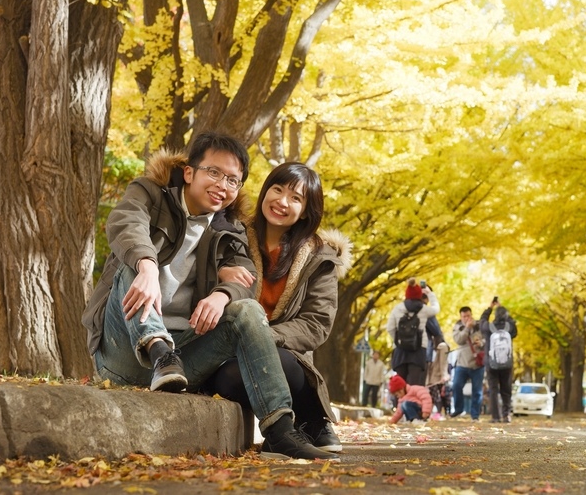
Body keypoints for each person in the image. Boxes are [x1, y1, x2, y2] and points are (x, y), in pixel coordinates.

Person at [81, 132, 334, 460]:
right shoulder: (149, 194)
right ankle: (158, 351)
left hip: (184, 358)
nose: (222, 184)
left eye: (233, 179)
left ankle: (281, 430)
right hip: (124, 350)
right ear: (190, 172)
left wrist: (223, 294)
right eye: (214, 172)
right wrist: (146, 266)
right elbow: (126, 223)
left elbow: (245, 279)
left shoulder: (232, 229)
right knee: (134, 266)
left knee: (246, 309)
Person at [209, 161, 352, 454]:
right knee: (229, 376)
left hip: (287, 359)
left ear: (306, 211)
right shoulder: (231, 236)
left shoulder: (320, 259)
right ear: (265, 191)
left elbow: (316, 324)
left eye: (296, 198)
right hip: (226, 356)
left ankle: (311, 420)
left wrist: (261, 337)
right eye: (277, 189)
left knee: (281, 361)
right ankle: (303, 421)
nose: (282, 202)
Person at [387, 278, 440, 386]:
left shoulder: (397, 309)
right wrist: (430, 294)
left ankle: (400, 403)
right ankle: (412, 403)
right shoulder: (424, 309)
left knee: (400, 384)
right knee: (415, 384)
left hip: (400, 349)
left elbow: (390, 328)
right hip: (419, 349)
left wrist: (398, 340)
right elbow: (436, 309)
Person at [479, 300, 518, 423]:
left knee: (493, 390)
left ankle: (495, 417)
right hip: (507, 364)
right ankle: (506, 415)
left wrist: (490, 307)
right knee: (506, 390)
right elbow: (514, 326)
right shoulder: (509, 328)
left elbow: (482, 321)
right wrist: (502, 307)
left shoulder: (488, 327)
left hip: (492, 364)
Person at [450, 306, 485, 420]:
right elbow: (459, 340)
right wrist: (466, 328)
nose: (466, 318)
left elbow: (487, 338)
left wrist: (482, 343)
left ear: (472, 314)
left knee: (477, 391)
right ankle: (458, 408)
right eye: (464, 316)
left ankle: (475, 415)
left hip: (477, 364)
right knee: (456, 385)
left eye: (468, 315)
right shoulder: (458, 327)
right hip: (462, 363)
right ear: (461, 317)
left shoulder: (479, 325)